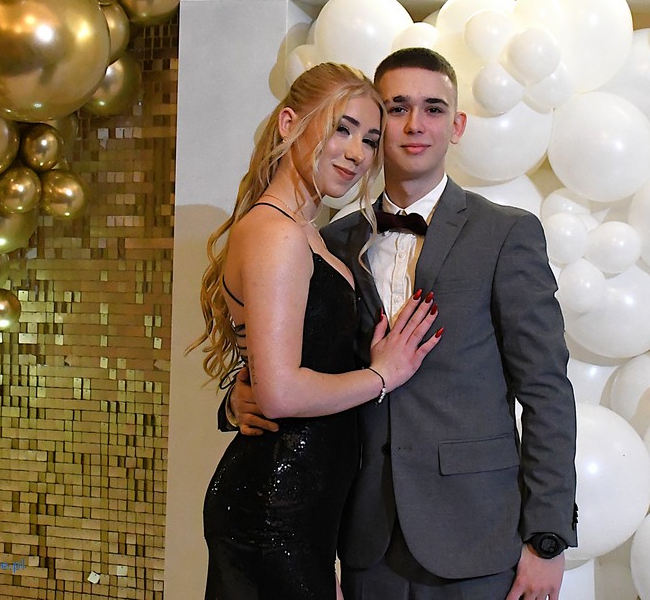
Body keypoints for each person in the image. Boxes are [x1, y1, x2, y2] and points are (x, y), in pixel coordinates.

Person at [232, 47, 578, 599]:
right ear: (378, 121)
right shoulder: (329, 240)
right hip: (361, 540)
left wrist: (547, 538)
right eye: (397, 108)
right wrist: (240, 397)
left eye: (434, 109)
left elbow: (547, 391)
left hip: (477, 537)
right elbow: (300, 360)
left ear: (457, 126)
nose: (416, 124)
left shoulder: (506, 234)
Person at [189, 61, 443, 600]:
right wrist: (382, 375)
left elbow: (290, 362)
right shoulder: (277, 233)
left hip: (301, 508)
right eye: (340, 129)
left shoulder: (306, 231)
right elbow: (280, 393)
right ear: (289, 124)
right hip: (273, 509)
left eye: (369, 139)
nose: (356, 153)